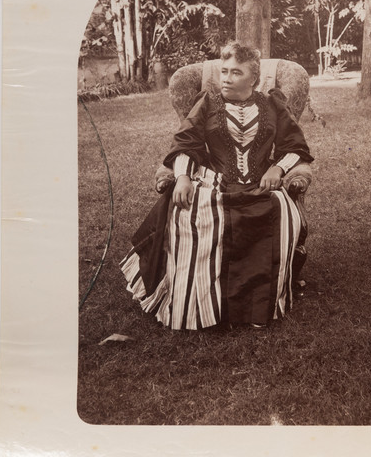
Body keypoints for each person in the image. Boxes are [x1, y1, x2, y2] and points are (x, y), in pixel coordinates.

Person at [120, 41, 313, 330]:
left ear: (253, 78)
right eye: (224, 71)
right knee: (190, 209)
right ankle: (198, 304)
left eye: (236, 72)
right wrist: (183, 176)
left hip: (260, 183)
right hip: (215, 181)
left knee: (282, 209)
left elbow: (295, 146)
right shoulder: (208, 103)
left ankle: (257, 303)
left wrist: (278, 168)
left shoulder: (273, 104)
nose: (226, 78)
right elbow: (186, 142)